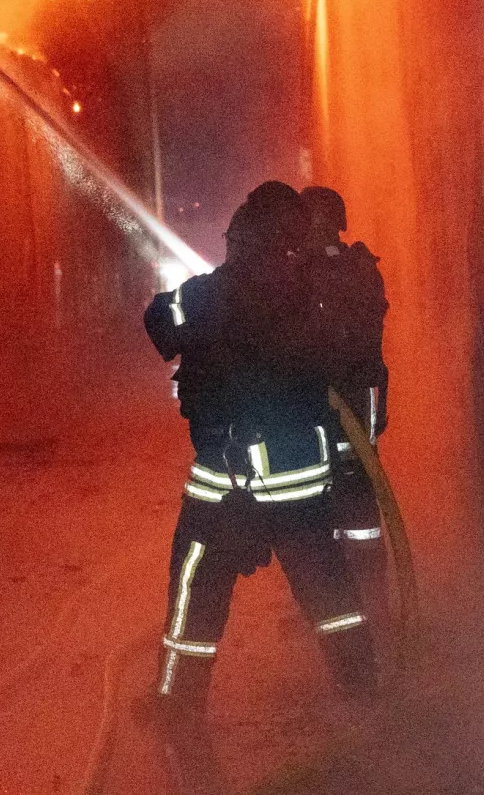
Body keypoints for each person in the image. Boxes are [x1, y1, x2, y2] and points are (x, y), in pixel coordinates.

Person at [142, 182, 377, 749]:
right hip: (301, 483)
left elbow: (158, 322)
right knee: (330, 592)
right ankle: (365, 690)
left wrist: (201, 296)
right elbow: (351, 369)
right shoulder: (317, 298)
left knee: (197, 587)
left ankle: (178, 702)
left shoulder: (210, 296)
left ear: (241, 236)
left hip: (227, 484)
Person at [299, 185, 390, 632]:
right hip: (351, 406)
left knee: (332, 508)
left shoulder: (306, 276)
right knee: (354, 505)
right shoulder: (359, 269)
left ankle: (353, 612)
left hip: (331, 408)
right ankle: (367, 608)